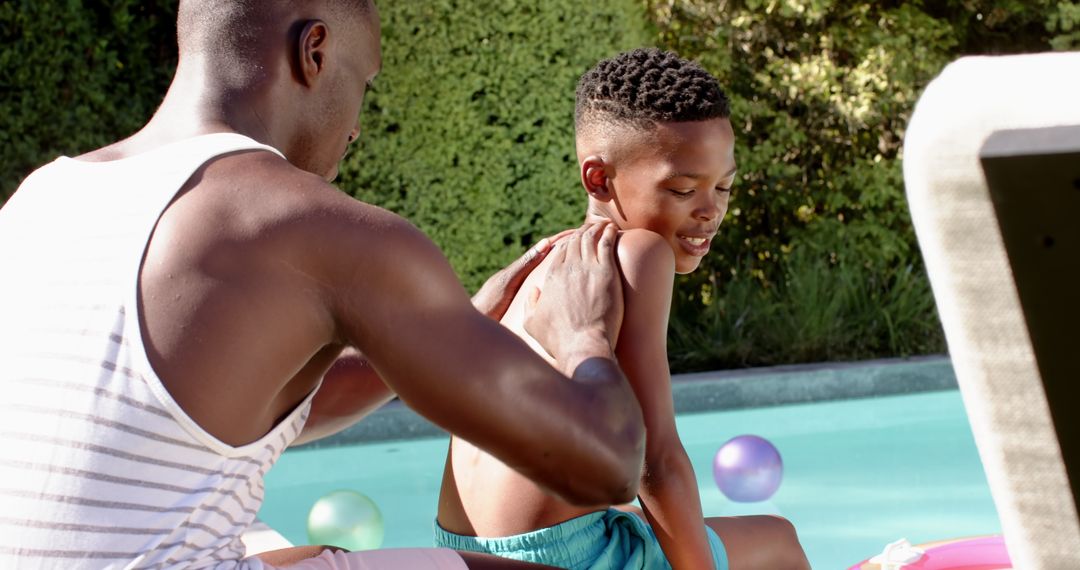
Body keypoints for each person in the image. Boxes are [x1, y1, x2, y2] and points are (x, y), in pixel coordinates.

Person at [0, 1, 647, 568]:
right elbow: (605, 466)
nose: (358, 124)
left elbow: (228, 414)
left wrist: (461, 322)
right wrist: (583, 335)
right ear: (314, 51)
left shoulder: (42, 196)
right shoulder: (312, 224)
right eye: (363, 84)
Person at [435, 48, 812, 569]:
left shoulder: (550, 261)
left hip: (467, 552)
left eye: (724, 186)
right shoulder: (639, 252)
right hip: (568, 558)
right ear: (597, 179)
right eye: (683, 189)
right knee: (778, 541)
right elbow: (654, 458)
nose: (711, 210)